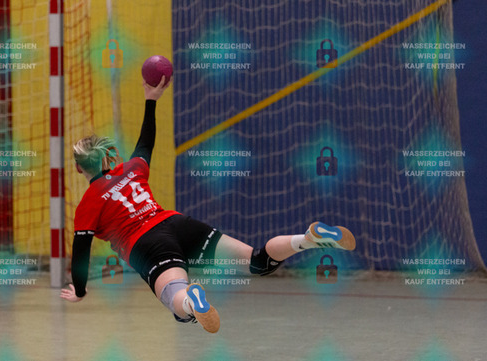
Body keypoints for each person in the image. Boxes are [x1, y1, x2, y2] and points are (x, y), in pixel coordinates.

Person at [60, 77, 356, 333]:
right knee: (258, 262)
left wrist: (81, 290)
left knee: (177, 302)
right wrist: (151, 99)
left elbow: (81, 253)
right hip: (178, 225)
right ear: (107, 158)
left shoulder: (88, 203)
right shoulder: (131, 169)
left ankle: (192, 301)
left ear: (78, 168)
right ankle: (308, 239)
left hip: (146, 245)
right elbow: (145, 143)